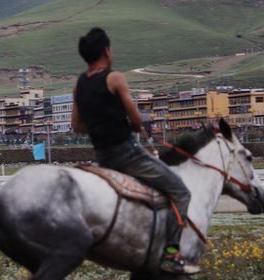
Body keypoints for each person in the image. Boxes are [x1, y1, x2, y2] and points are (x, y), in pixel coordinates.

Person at [71, 27, 199, 275]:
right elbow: (136, 118)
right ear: (106, 51)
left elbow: (76, 125)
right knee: (181, 191)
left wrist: (100, 126)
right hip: (128, 154)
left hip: (102, 158)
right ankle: (171, 254)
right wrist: (133, 125)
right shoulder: (114, 78)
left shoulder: (79, 85)